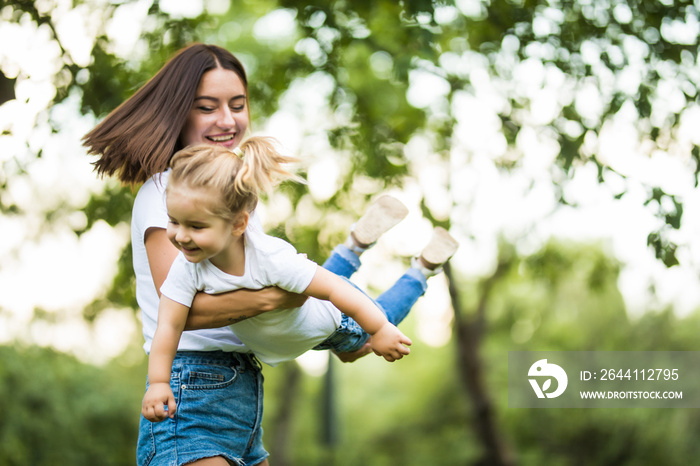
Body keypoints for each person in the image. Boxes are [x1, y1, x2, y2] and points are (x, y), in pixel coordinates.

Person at [82, 43, 457, 466]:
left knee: (345, 326)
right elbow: (184, 308)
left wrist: (289, 296)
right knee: (348, 325)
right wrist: (275, 298)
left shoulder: (233, 197)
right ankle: (388, 260)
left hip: (243, 379)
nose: (227, 120)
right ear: (180, 110)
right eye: (208, 107)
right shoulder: (169, 195)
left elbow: (289, 277)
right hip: (193, 384)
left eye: (237, 105)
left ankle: (367, 254)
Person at [140, 139, 458, 425]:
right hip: (302, 328)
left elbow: (335, 289)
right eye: (173, 221)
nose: (180, 236)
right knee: (306, 281)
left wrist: (380, 329)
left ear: (238, 224)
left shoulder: (269, 258)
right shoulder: (187, 267)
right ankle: (354, 245)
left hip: (336, 322)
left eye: (195, 226)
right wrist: (158, 382)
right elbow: (167, 326)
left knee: (372, 326)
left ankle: (422, 268)